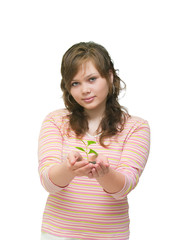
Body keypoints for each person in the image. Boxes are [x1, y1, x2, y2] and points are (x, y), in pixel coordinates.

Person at [38, 42, 150, 240]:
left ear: (109, 76)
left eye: (92, 79)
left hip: (111, 236)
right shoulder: (55, 121)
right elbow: (48, 182)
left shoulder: (136, 127)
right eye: (75, 83)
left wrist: (104, 174)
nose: (85, 90)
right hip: (58, 234)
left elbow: (124, 188)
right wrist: (69, 169)